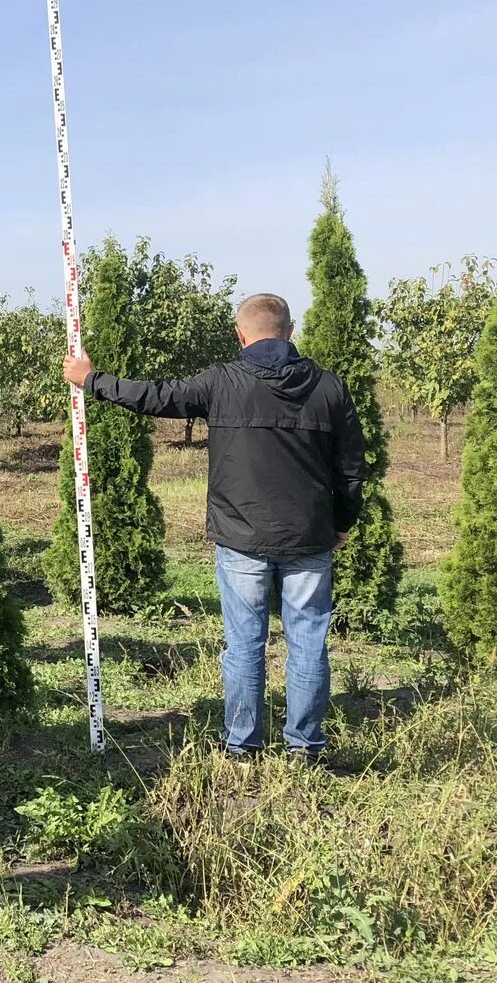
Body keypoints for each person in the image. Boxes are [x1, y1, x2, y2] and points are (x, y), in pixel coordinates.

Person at [62, 292, 366, 761]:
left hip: (242, 539)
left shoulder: (221, 381)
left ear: (240, 335)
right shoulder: (329, 388)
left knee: (245, 644)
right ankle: (305, 747)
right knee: (308, 643)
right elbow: (350, 467)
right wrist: (343, 521)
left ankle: (242, 746)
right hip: (309, 536)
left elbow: (156, 397)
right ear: (290, 332)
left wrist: (92, 380)